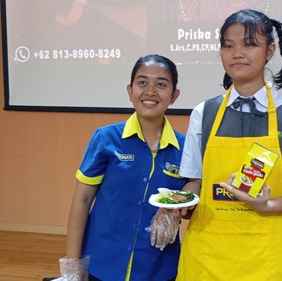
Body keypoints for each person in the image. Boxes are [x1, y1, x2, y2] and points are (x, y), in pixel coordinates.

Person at [175, 9, 282, 280]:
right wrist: (180, 205)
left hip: (266, 259)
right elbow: (194, 181)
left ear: (270, 50)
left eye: (249, 44)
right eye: (228, 45)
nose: (237, 53)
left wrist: (268, 205)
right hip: (206, 257)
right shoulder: (205, 113)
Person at [61, 54, 187, 281]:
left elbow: (192, 192)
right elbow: (82, 200)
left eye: (161, 84)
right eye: (142, 82)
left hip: (158, 269)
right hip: (102, 265)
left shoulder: (185, 147)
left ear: (174, 95)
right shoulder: (105, 138)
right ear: (130, 91)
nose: (150, 91)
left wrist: (173, 211)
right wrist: (72, 265)